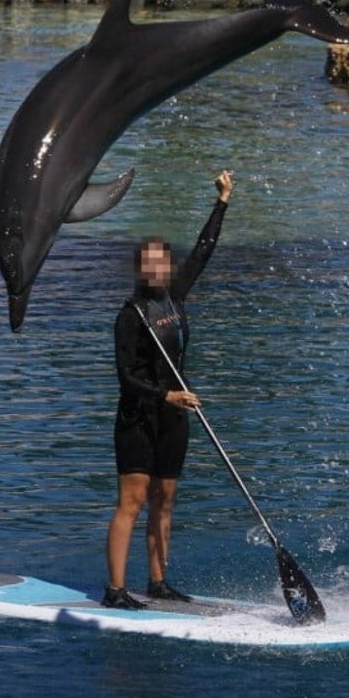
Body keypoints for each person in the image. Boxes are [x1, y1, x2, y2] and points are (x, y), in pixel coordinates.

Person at [103, 170, 234, 609]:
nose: (159, 269)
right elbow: (125, 377)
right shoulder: (131, 315)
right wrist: (165, 397)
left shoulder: (175, 298)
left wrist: (222, 202)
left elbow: (204, 250)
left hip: (174, 417)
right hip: (138, 417)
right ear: (141, 269)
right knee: (133, 501)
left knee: (166, 500)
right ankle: (115, 590)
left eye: (164, 261)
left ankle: (158, 582)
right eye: (150, 263)